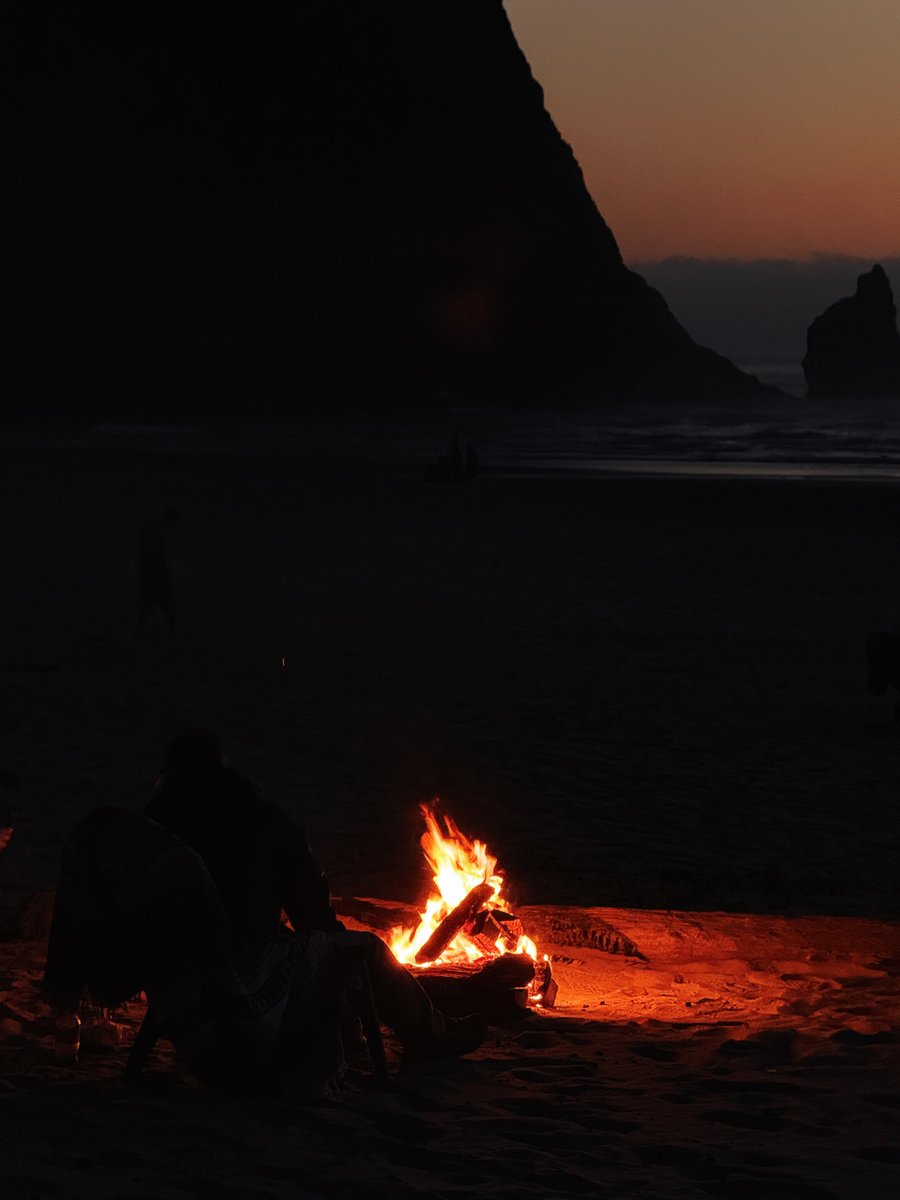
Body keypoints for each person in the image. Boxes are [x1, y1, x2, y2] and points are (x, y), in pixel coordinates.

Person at [144, 730, 486, 1072]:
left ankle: (358, 1032)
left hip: (172, 975)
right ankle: (429, 1035)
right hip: (241, 971)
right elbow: (314, 919)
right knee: (365, 949)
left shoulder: (151, 830)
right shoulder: (261, 822)